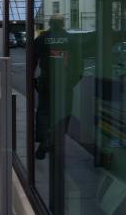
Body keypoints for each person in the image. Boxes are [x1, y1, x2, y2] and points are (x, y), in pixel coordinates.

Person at [33, 14, 83, 160]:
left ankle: (44, 139)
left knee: (43, 111)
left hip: (46, 81)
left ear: (50, 23)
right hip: (65, 82)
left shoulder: (42, 38)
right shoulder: (72, 39)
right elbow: (79, 65)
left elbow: (32, 60)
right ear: (62, 23)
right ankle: (56, 140)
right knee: (65, 112)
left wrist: (34, 80)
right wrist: (72, 82)